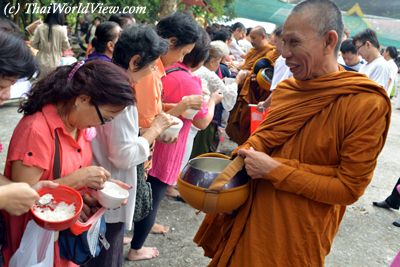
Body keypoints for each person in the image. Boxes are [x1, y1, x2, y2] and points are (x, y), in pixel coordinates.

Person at [194, 0, 391, 266]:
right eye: (283, 42)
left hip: (295, 233)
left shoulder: (366, 103)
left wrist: (274, 170)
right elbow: (263, 142)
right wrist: (236, 166)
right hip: (249, 215)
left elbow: (348, 188)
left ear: (329, 41)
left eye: (294, 42)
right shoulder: (287, 91)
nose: (283, 53)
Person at [1, 60, 135, 267]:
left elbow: (63, 182)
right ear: (82, 99)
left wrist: (88, 196)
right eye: (105, 118)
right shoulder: (36, 130)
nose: (102, 125)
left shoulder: (78, 126)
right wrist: (79, 179)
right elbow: (22, 197)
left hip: (62, 238)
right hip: (38, 246)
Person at [87, 24, 175, 267]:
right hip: (109, 185)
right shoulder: (122, 94)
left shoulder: (103, 76)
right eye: (151, 67)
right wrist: (155, 130)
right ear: (135, 61)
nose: (151, 73)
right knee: (105, 251)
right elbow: (123, 155)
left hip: (97, 174)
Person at [226, 26, 277, 145]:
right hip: (244, 87)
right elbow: (247, 66)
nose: (251, 40)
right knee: (237, 122)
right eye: (251, 37)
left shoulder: (270, 53)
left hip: (256, 93)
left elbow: (266, 75)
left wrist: (246, 75)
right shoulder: (253, 51)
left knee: (247, 123)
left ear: (263, 37)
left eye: (254, 38)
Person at [31, 8, 70, 77]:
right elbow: (66, 46)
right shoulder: (62, 29)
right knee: (51, 83)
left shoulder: (40, 27)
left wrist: (42, 47)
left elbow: (34, 44)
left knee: (40, 81)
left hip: (41, 59)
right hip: (56, 61)